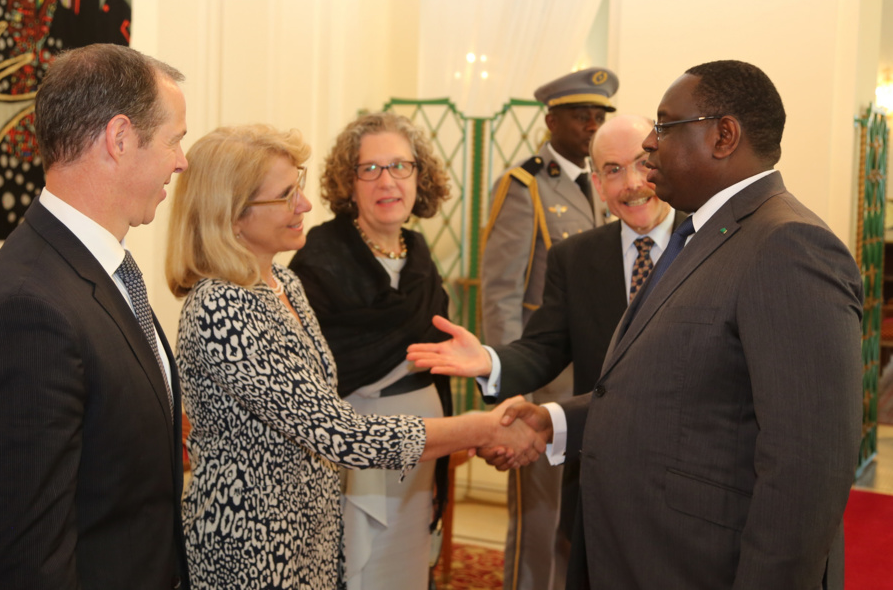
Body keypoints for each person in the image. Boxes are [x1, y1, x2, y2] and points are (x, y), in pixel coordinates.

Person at [412, 60, 863, 590]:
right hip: (647, 551)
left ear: (723, 136)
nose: (650, 146)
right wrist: (554, 421)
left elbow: (807, 465)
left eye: (665, 126)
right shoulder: (708, 234)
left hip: (705, 561)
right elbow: (679, 396)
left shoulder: (786, 245)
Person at [165, 124, 545, 590]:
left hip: (312, 534)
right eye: (287, 196)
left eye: (299, 190)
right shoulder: (221, 305)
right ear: (233, 214)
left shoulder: (283, 284)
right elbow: (339, 431)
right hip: (254, 543)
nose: (304, 206)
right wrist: (482, 427)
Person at [0, 44, 192, 589]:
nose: (182, 160)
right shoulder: (27, 313)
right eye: (175, 139)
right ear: (120, 138)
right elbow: (27, 563)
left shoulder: (96, 269)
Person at [288, 112, 452, 590]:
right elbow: (308, 371)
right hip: (351, 445)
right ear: (349, 181)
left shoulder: (420, 255)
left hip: (422, 443)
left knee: (404, 568)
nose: (388, 181)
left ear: (419, 177)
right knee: (359, 570)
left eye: (400, 166)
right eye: (370, 169)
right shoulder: (321, 256)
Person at [479, 66, 616, 590]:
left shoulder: (605, 183)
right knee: (542, 519)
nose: (591, 124)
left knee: (584, 515)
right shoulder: (525, 185)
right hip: (546, 383)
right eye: (582, 114)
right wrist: (510, 391)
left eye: (599, 115)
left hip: (595, 381)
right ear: (551, 118)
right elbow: (501, 293)